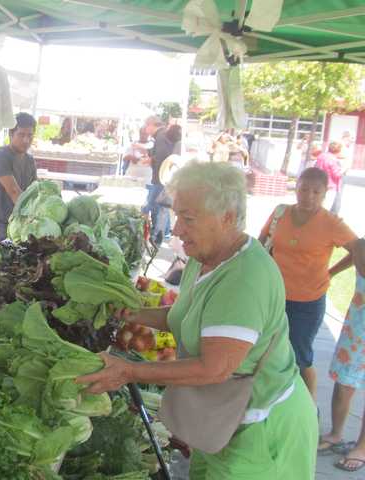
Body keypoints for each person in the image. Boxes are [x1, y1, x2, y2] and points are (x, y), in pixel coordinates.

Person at [77, 162, 317, 479]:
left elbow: (215, 367)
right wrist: (132, 313)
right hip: (220, 423)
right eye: (177, 215)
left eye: (188, 219)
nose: (176, 229)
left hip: (262, 431)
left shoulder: (244, 278)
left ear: (227, 218)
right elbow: (187, 316)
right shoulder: (205, 256)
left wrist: (129, 371)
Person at [258, 167, 358, 404]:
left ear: (325, 193)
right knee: (268, 351)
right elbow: (260, 243)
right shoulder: (280, 213)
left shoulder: (331, 223)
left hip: (307, 302)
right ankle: (275, 401)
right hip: (274, 296)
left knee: (300, 357)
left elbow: (358, 250)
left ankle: (309, 408)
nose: (308, 196)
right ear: (296, 188)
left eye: (316, 192)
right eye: (303, 189)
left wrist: (331, 272)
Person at [318, 239, 365, 471]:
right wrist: (331, 272)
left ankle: (362, 447)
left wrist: (359, 249)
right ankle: (336, 434)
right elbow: (358, 251)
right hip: (359, 319)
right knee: (344, 379)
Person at [0, 112, 37, 241]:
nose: (26, 140)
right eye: (21, 135)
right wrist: (36, 216)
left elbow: (34, 192)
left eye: (30, 135)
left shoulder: (29, 160)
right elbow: (14, 192)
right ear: (11, 134)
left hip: (18, 228)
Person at [142, 116, 175, 244]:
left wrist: (151, 159)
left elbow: (163, 156)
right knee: (162, 207)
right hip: (163, 178)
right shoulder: (162, 135)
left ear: (151, 124)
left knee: (156, 207)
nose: (145, 129)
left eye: (146, 125)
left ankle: (157, 237)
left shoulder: (161, 136)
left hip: (161, 178)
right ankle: (164, 233)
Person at [315, 141, 345, 214]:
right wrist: (344, 170)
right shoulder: (333, 159)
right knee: (326, 207)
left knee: (319, 205)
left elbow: (315, 167)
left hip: (320, 183)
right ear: (338, 150)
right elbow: (337, 175)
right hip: (331, 185)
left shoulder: (321, 156)